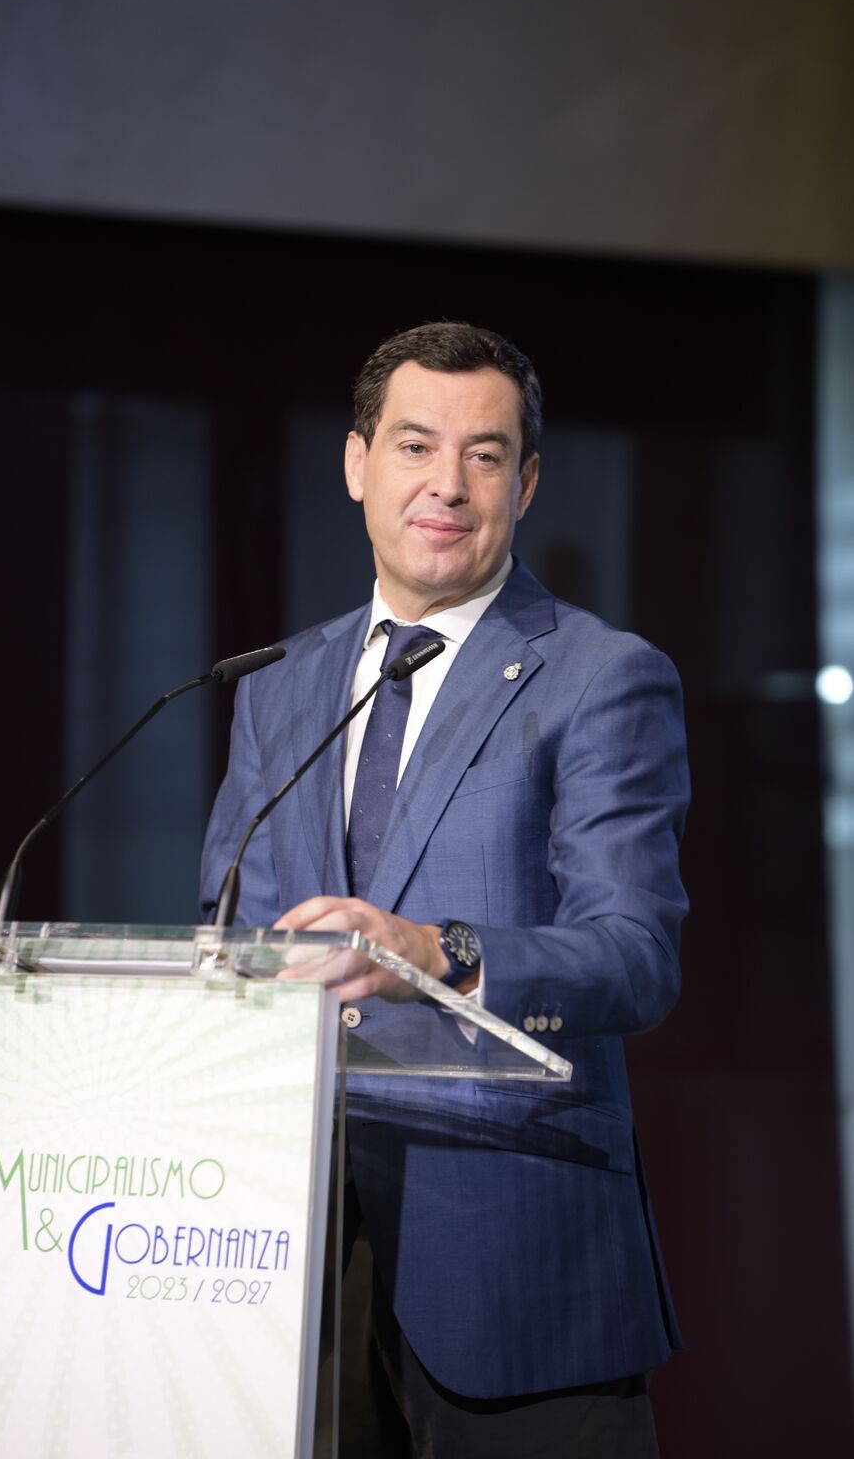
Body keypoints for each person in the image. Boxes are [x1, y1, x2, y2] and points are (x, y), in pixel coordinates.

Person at [200, 321, 689, 1457]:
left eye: (484, 455)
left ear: (524, 483)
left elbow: (634, 957)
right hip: (298, 1257)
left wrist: (435, 952)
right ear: (357, 463)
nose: (448, 484)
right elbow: (228, 931)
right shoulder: (280, 684)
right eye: (416, 446)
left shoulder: (600, 676)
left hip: (518, 1261)